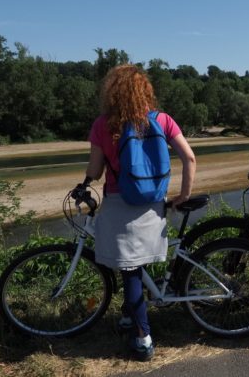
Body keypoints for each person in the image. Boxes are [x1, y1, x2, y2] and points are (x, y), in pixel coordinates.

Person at [72, 64, 196, 361]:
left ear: (112, 92)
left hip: (120, 202)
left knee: (129, 271)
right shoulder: (163, 120)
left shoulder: (104, 125)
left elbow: (96, 169)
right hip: (153, 203)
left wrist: (84, 183)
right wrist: (182, 196)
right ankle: (129, 317)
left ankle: (143, 338)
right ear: (145, 90)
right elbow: (189, 158)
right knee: (134, 266)